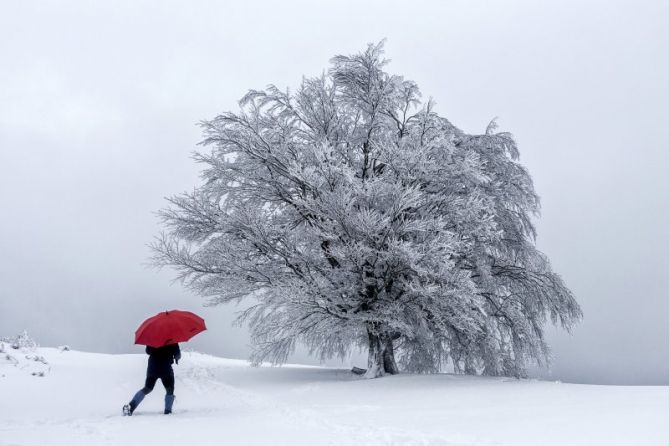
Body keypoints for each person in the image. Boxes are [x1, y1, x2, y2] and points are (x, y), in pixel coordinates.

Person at [123, 343, 181, 416]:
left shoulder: (153, 337)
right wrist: (175, 356)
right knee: (170, 389)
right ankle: (168, 411)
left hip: (153, 368)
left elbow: (148, 351)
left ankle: (130, 407)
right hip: (166, 369)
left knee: (148, 388)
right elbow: (177, 355)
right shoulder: (172, 340)